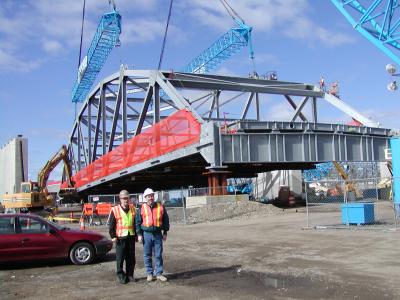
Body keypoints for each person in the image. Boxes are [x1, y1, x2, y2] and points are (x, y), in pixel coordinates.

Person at [136, 188, 170, 282]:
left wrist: (165, 232)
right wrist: (139, 234)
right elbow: (138, 222)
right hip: (146, 234)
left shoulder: (160, 207)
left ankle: (159, 273)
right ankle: (149, 274)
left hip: (158, 234)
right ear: (145, 197)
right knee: (147, 255)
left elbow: (165, 220)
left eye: (152, 196)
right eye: (148, 196)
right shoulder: (141, 208)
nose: (150, 198)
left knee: (158, 254)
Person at [109, 190, 136, 284]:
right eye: (124, 198)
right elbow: (111, 224)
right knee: (120, 258)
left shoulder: (133, 208)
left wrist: (137, 235)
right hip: (120, 237)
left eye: (127, 198)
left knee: (131, 258)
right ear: (120, 199)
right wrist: (113, 237)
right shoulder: (115, 209)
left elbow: (136, 222)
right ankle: (121, 275)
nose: (126, 200)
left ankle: (130, 275)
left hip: (131, 236)